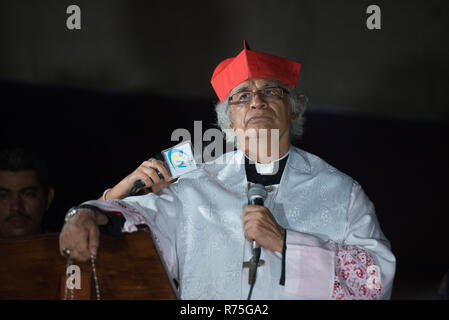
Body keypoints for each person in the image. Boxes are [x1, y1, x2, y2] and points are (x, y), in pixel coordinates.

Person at [59, 42, 396, 299]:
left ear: (292, 110)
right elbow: (135, 220)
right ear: (228, 120)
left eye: (270, 92)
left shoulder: (341, 192)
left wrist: (287, 243)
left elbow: (376, 279)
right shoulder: (194, 185)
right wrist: (87, 212)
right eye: (242, 96)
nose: (257, 102)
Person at [0, 147, 55, 238]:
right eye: (3, 196)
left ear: (48, 198)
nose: (16, 208)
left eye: (28, 194)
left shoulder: (73, 250)